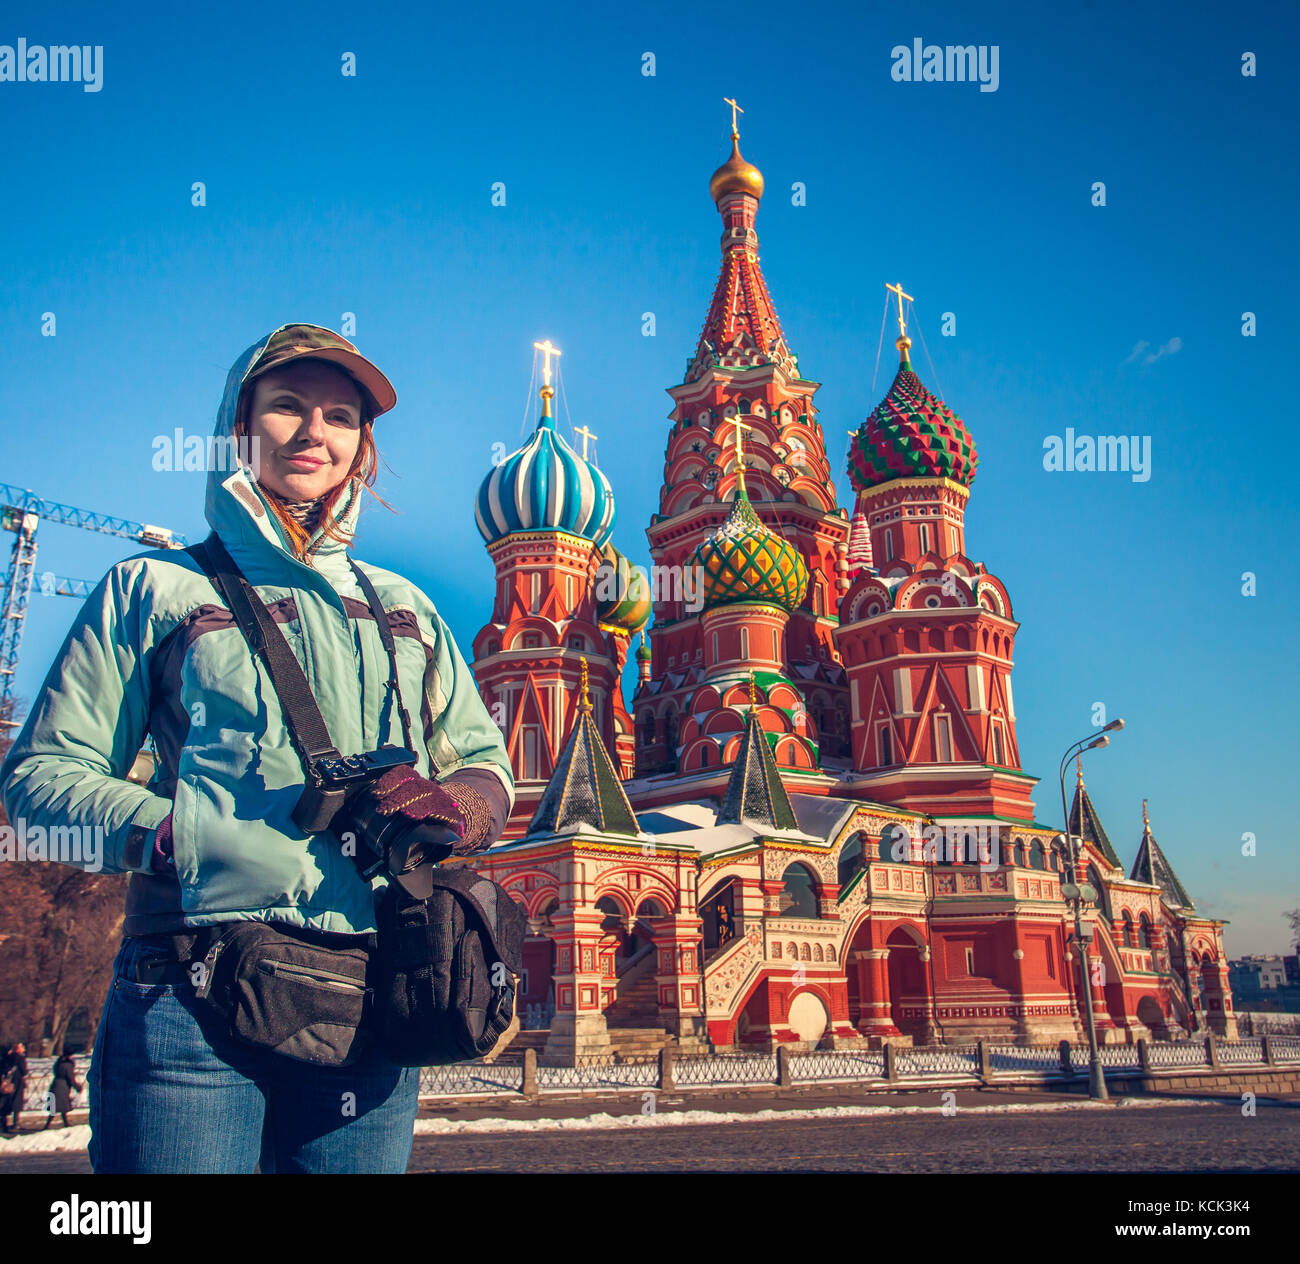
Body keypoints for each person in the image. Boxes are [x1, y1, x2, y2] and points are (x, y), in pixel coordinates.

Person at [0, 324, 515, 1172]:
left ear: (363, 448)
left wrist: (453, 805)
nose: (315, 432)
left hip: (374, 994)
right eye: (287, 406)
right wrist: (178, 836)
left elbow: (484, 760)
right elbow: (42, 781)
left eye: (341, 416)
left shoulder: (406, 611)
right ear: (239, 426)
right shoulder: (157, 589)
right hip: (192, 991)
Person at [43, 1050, 83, 1129]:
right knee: (61, 1105)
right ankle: (50, 1125)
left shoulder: (58, 1062)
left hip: (55, 1084)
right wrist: (78, 1087)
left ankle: (63, 1124)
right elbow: (70, 1078)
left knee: (56, 1106)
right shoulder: (68, 1064)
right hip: (63, 1087)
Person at [1, 1041, 27, 1132]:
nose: (23, 1048)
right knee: (17, 1102)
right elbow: (24, 1071)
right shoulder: (20, 1058)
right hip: (17, 1081)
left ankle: (4, 1123)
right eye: (22, 1046)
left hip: (7, 1082)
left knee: (6, 1102)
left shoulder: (8, 1057)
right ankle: (15, 1123)